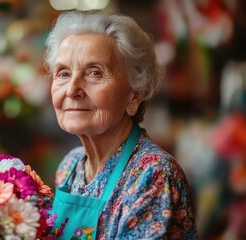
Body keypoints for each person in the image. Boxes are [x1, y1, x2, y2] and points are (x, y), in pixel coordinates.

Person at [45, 11, 198, 239]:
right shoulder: (70, 165)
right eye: (63, 73)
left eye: (94, 73)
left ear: (134, 95)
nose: (72, 89)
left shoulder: (154, 175)